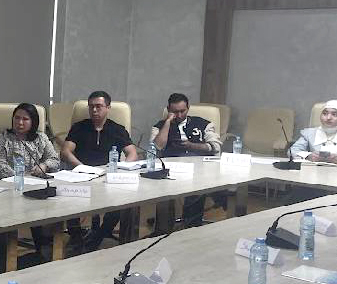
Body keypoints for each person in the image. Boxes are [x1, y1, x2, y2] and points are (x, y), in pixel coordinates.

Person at [62, 90, 138, 251]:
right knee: (68, 197)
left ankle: (99, 235)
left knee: (122, 202)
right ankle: (76, 237)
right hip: (82, 175)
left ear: (108, 108)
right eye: (91, 107)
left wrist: (120, 170)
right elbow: (66, 151)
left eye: (98, 106)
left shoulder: (117, 129)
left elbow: (132, 153)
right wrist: (80, 167)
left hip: (107, 176)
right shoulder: (79, 127)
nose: (94, 110)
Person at [0, 103, 60, 262]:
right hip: (7, 190)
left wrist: (44, 165)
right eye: (17, 118)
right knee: (1, 216)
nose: (20, 123)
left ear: (33, 121)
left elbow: (55, 160)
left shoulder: (41, 138)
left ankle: (44, 253)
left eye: (25, 119)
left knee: (47, 210)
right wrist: (22, 176)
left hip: (35, 189)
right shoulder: (3, 138)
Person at [150, 93, 222, 227]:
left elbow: (216, 147)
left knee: (197, 184)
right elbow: (156, 147)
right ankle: (164, 227)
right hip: (172, 168)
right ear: (168, 110)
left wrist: (191, 145)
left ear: (188, 108)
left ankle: (191, 224)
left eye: (182, 111)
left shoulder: (203, 124)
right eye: (174, 112)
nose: (179, 115)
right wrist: (167, 122)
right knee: (163, 186)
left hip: (200, 168)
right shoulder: (159, 126)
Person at [289, 100, 337, 165]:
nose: (328, 118)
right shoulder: (309, 133)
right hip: (313, 174)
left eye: (334, 114)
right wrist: (308, 156)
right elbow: (292, 151)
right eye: (325, 113)